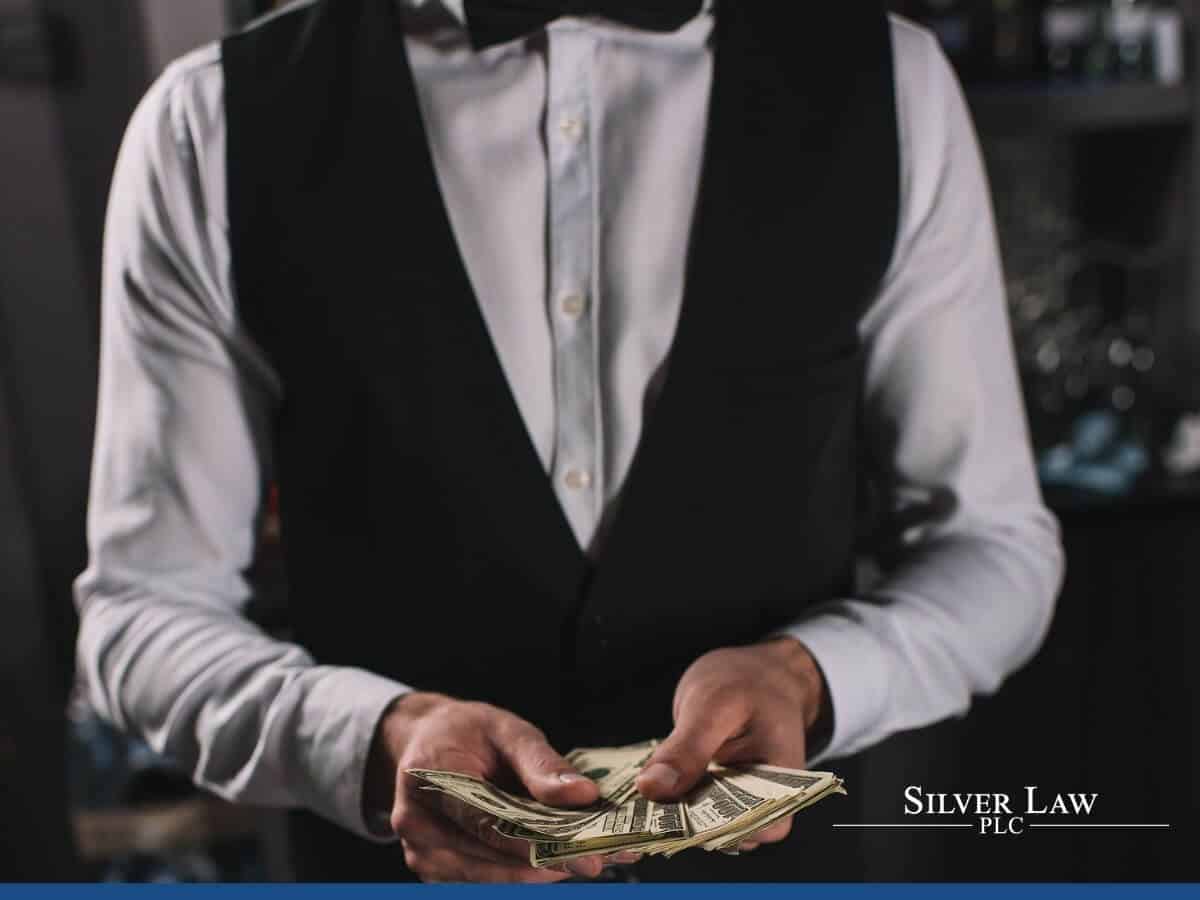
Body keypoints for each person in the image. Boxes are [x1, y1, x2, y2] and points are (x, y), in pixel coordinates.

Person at [76, 0, 1064, 883]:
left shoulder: (892, 82)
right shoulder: (210, 124)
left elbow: (994, 549)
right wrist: (374, 740)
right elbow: (142, 615)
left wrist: (811, 675)